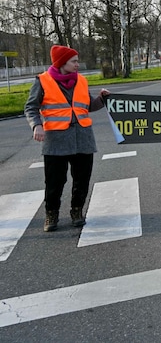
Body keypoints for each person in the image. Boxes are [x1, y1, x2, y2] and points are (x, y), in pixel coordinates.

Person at [25, 45, 110, 232]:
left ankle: (77, 211)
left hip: (83, 138)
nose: (77, 65)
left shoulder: (81, 81)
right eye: (74, 61)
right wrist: (36, 125)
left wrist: (102, 99)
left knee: (82, 179)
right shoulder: (43, 81)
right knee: (55, 182)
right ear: (62, 62)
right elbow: (31, 107)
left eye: (77, 61)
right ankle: (51, 214)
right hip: (56, 140)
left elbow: (87, 106)